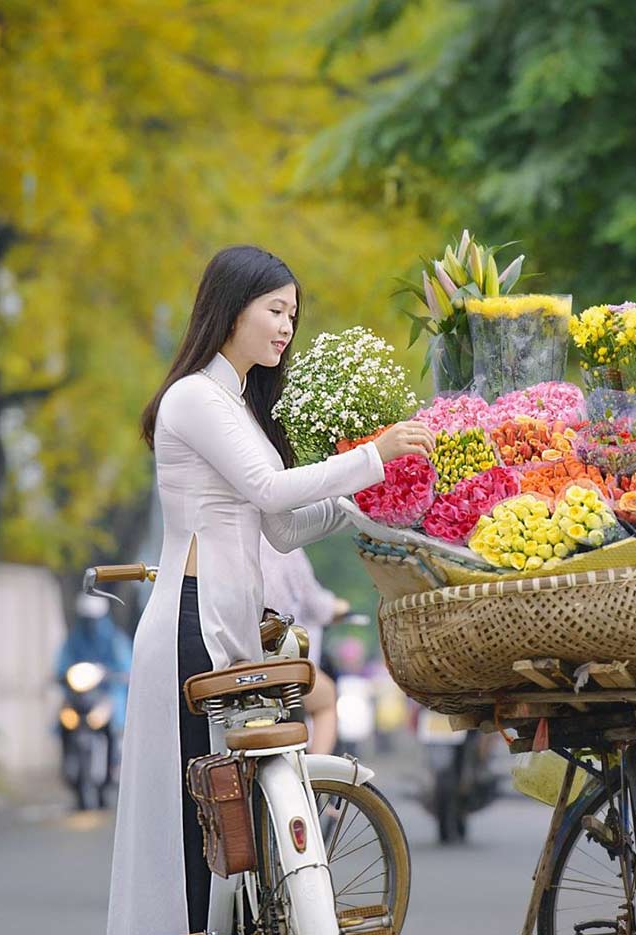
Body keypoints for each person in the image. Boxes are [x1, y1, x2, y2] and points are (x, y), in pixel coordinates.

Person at [107, 244, 434, 935]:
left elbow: (281, 525)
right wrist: (374, 455)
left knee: (228, 816)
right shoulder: (196, 395)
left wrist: (371, 500)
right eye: (275, 309)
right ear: (231, 309)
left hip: (227, 623)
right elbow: (268, 487)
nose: (287, 326)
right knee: (196, 822)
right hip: (189, 626)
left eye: (293, 313)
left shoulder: (240, 405)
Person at [259, 539, 350, 756]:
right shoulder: (281, 545)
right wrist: (340, 607)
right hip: (273, 661)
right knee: (326, 698)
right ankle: (317, 778)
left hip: (227, 658)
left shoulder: (213, 537)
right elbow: (316, 605)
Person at [56, 592, 133, 779]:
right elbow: (63, 662)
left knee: (114, 715)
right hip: (81, 693)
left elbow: (125, 664)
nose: (90, 624)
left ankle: (114, 760)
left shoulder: (115, 639)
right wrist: (60, 675)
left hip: (106, 692)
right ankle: (66, 760)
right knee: (63, 716)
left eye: (94, 619)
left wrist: (116, 674)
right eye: (87, 619)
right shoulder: (74, 639)